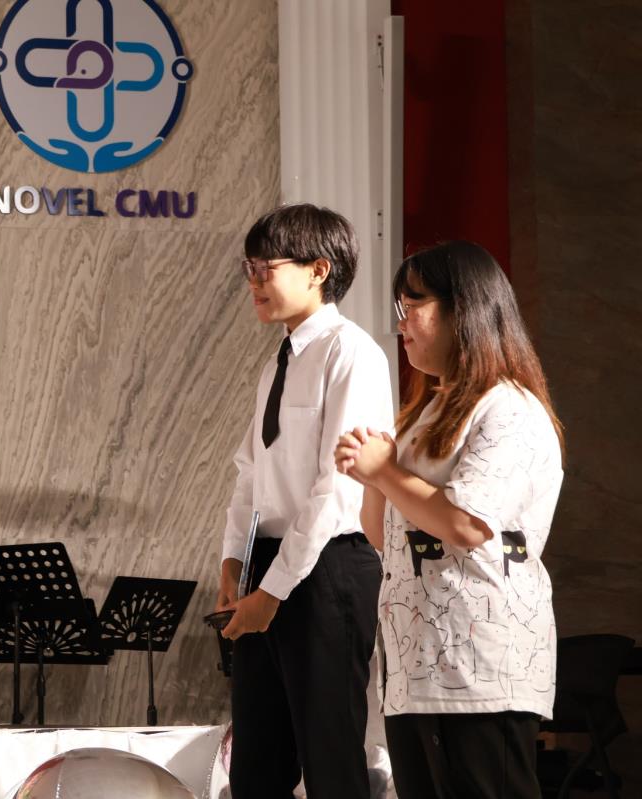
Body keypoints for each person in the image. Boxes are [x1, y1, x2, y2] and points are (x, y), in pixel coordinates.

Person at [334, 241, 564, 798]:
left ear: (463, 310)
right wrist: (371, 474)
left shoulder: (509, 407)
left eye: (412, 306)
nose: (401, 323)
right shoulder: (427, 410)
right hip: (416, 669)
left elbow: (465, 524)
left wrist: (386, 471)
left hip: (481, 666)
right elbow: (383, 535)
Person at [217, 203, 394, 798]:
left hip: (328, 570)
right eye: (248, 268)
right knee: (256, 767)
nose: (253, 282)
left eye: (265, 268)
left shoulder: (351, 353)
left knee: (331, 763)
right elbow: (250, 471)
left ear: (319, 269)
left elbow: (337, 487)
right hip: (267, 566)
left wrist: (272, 593)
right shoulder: (279, 361)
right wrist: (234, 566)